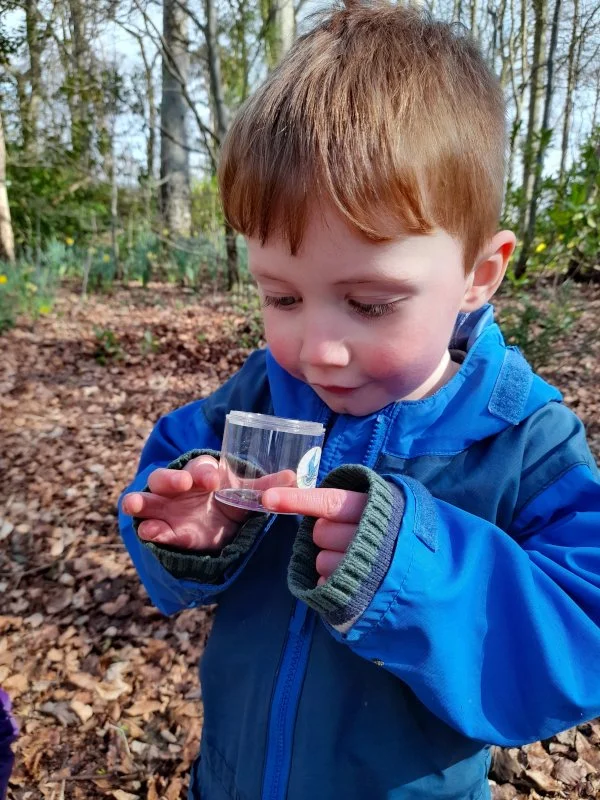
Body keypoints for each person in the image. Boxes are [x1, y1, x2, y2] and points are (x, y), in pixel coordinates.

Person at [119, 2, 600, 798]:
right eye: (281, 297)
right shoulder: (266, 388)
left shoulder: (523, 441)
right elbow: (166, 469)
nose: (318, 349)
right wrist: (189, 526)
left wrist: (409, 571)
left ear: (479, 274)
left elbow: (581, 638)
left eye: (371, 304)